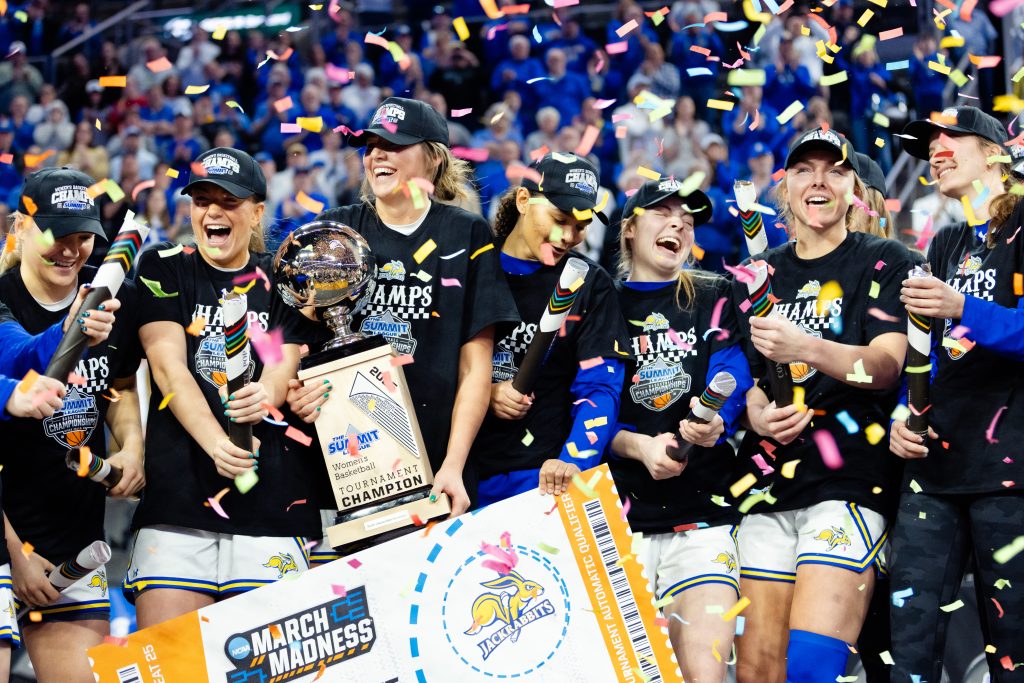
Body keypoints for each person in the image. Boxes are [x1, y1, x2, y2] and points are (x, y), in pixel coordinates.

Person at [296, 97, 518, 564]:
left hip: (437, 474)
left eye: (395, 145)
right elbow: (299, 343)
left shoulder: (467, 233)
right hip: (346, 473)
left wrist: (453, 465)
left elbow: (475, 367)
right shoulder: (335, 231)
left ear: (434, 158)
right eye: (371, 145)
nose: (377, 154)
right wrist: (299, 388)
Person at [730, 128, 916, 683]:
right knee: (758, 670)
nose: (819, 181)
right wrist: (756, 411)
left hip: (848, 480)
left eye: (835, 171)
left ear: (854, 189)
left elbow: (885, 367)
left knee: (812, 668)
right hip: (764, 481)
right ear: (785, 188)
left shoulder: (885, 259)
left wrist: (805, 346)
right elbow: (745, 378)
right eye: (804, 170)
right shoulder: (757, 273)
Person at [125, 147, 323, 627]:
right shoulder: (163, 266)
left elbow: (282, 362)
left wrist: (266, 394)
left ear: (256, 212)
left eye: (229, 201)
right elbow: (168, 369)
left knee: (266, 659)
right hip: (178, 500)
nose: (212, 212)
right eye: (202, 201)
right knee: (171, 662)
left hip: (272, 500)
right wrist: (219, 444)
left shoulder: (283, 277)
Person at [889, 106, 1024, 681]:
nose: (935, 151)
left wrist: (964, 306)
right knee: (909, 650)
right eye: (929, 146)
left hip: (1010, 473)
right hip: (934, 469)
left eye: (951, 138)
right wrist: (903, 413)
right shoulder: (946, 243)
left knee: (1015, 650)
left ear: (994, 153)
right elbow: (929, 354)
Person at [607, 178, 753, 681]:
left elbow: (732, 374)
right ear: (629, 229)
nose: (678, 224)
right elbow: (585, 405)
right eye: (663, 213)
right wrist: (637, 445)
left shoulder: (715, 293)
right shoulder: (603, 301)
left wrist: (718, 421)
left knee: (704, 674)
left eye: (687, 221)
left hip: (702, 516)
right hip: (617, 523)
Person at [0, 167, 135, 683]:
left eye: (83, 236)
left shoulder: (111, 296)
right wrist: (15, 552)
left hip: (73, 548)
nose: (71, 250)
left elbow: (120, 385)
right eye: (57, 233)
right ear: (20, 227)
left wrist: (132, 447)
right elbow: (17, 354)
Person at [470, 153, 630, 504]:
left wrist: (574, 461)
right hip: (464, 477)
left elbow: (601, 387)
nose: (569, 236)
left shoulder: (590, 283)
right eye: (559, 219)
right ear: (523, 200)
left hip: (545, 479)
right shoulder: (472, 267)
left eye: (581, 226)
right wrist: (483, 392)